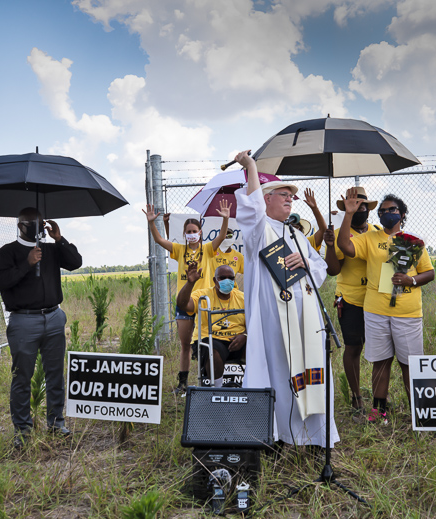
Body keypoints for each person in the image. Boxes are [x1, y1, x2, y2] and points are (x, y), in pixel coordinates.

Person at [234, 150, 338, 448]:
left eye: (291, 196)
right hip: (274, 322)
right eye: (283, 194)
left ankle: (314, 438)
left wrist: (305, 262)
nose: (290, 198)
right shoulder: (257, 230)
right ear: (266, 199)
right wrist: (251, 167)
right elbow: (251, 208)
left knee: (310, 373)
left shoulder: (296, 234)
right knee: (279, 375)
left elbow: (321, 270)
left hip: (307, 320)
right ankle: (279, 436)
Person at [337, 191, 435, 424]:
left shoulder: (413, 241)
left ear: (402, 214)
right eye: (382, 211)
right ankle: (379, 410)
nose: (387, 214)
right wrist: (349, 213)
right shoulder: (370, 238)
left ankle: (418, 413)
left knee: (409, 363)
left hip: (407, 312)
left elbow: (429, 273)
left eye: (392, 210)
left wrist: (410, 280)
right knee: (381, 361)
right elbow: (344, 246)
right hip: (376, 311)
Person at [0, 208, 82, 446]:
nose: (37, 226)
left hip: (53, 317)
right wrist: (27, 263)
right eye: (32, 223)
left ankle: (56, 422)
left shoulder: (51, 249)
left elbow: (75, 262)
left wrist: (60, 239)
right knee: (22, 376)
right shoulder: (7, 252)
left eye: (40, 223)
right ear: (20, 225)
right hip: (23, 321)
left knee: (55, 373)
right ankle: (22, 430)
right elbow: (1, 282)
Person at [144, 200, 230, 395]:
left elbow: (223, 235)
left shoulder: (208, 249)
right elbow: (159, 240)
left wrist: (225, 218)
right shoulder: (179, 250)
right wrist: (151, 223)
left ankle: (206, 378)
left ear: (200, 232)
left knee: (205, 342)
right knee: (184, 344)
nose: (191, 234)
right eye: (188, 231)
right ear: (184, 234)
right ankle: (182, 382)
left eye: (194, 231)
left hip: (204, 304)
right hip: (184, 302)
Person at [323, 187, 379, 412]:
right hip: (351, 301)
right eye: (352, 205)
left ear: (367, 209)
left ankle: (379, 398)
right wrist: (329, 247)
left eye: (362, 206)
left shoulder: (377, 232)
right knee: (354, 348)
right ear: (346, 208)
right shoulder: (339, 235)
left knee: (381, 351)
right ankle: (356, 398)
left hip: (377, 301)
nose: (358, 209)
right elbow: (333, 270)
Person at [177, 263, 246, 387]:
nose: (227, 281)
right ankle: (217, 391)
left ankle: (251, 387)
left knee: (258, 347)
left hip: (238, 340)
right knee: (212, 351)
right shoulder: (203, 296)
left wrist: (245, 336)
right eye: (223, 278)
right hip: (211, 339)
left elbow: (254, 325)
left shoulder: (242, 298)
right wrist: (190, 283)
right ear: (215, 280)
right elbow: (183, 305)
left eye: (231, 278)